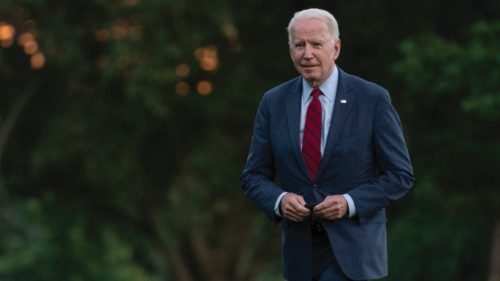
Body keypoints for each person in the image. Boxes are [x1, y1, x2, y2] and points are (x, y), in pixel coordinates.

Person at [240, 8, 415, 281]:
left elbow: (400, 175)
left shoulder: (372, 99)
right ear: (290, 50)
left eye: (316, 44)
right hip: (300, 255)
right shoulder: (273, 103)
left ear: (336, 47)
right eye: (299, 45)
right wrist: (279, 200)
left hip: (355, 251)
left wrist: (349, 203)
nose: (306, 53)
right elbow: (253, 175)